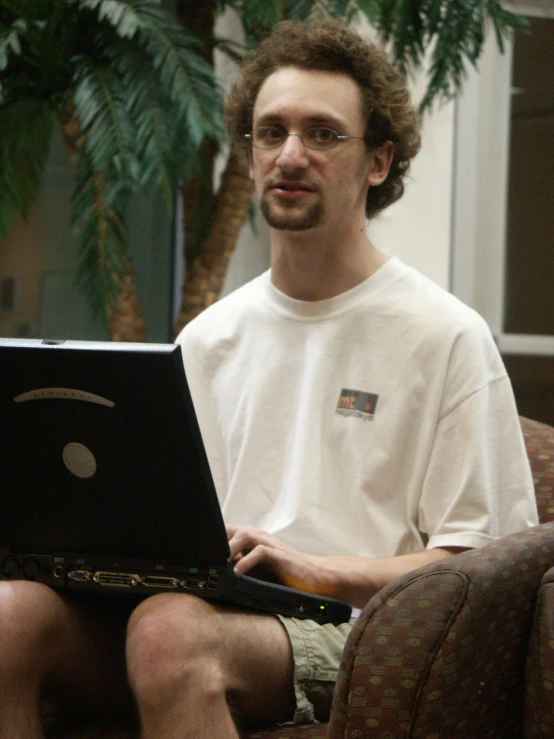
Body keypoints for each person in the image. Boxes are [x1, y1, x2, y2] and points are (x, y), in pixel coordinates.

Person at [0, 18, 538, 739]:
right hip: (194, 608)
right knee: (9, 617)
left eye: (322, 134)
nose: (290, 155)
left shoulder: (445, 336)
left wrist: (316, 568)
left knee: (168, 633)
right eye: (270, 131)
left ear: (378, 162)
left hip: (352, 630)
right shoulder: (208, 338)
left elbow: (482, 565)